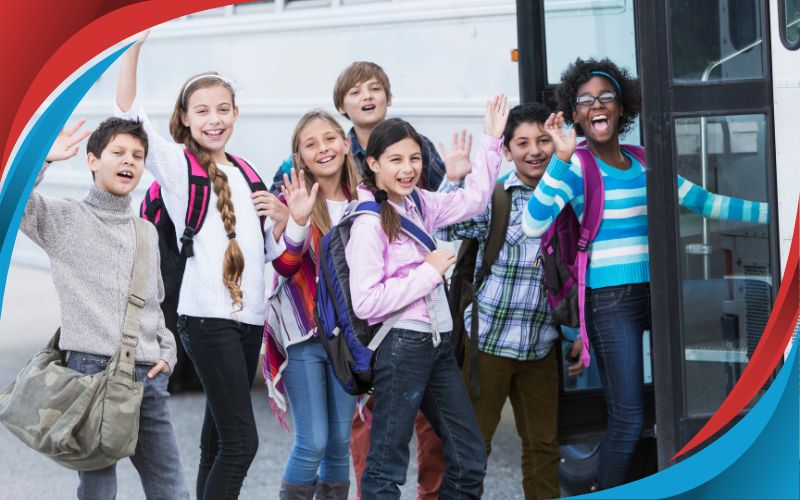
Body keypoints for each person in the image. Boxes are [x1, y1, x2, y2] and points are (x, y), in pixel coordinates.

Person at [522, 57, 770, 491]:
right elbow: (532, 222)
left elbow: (708, 203)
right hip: (609, 302)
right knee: (629, 416)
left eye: (606, 97)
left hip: (660, 292)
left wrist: (779, 211)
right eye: (585, 100)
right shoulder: (576, 166)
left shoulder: (642, 159)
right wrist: (559, 159)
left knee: (753, 293)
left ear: (622, 108)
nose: (596, 105)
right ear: (576, 114)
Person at [115, 32, 292, 499]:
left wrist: (284, 220)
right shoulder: (179, 169)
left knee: (217, 444)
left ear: (235, 113)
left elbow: (271, 256)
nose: (214, 119)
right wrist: (133, 47)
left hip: (249, 320)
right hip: (206, 318)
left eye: (222, 109)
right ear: (185, 119)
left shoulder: (248, 170)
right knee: (242, 443)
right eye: (203, 111)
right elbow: (130, 115)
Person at [346, 94, 509, 499]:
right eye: (396, 160)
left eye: (414, 159)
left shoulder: (418, 202)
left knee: (469, 456)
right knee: (386, 468)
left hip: (434, 344)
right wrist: (429, 272)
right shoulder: (367, 223)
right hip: (401, 345)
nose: (407, 169)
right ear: (373, 164)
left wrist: (490, 140)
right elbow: (366, 302)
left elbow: (473, 201)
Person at [20, 117, 189, 500]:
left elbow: (155, 304)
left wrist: (167, 353)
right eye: (118, 152)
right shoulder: (65, 218)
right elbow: (15, 202)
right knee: (98, 491)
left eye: (138, 155)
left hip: (147, 375)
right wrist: (42, 162)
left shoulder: (144, 229)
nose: (129, 161)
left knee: (170, 488)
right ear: (92, 160)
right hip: (90, 374)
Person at [436, 102, 583, 500]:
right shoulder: (496, 197)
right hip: (489, 345)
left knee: (543, 446)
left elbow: (578, 272)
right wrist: (454, 181)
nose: (534, 151)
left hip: (541, 344)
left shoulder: (567, 197)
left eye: (542, 141)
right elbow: (446, 223)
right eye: (522, 143)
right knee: (473, 446)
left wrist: (576, 332)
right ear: (506, 151)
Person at [265, 110, 360, 499]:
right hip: (304, 334)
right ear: (300, 157)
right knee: (313, 441)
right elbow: (285, 267)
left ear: (346, 143)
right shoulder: (293, 199)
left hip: (349, 339)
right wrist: (297, 222)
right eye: (311, 144)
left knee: (339, 441)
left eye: (329, 138)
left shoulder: (366, 198)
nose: (323, 148)